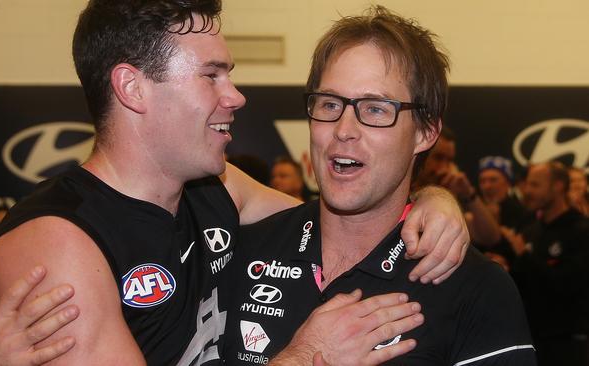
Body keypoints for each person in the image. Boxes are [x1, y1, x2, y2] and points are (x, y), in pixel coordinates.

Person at [0, 1, 470, 365]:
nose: (236, 95)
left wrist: (430, 197)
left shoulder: (214, 187)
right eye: (212, 75)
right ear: (133, 88)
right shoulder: (55, 248)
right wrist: (308, 358)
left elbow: (339, 217)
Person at [223, 6, 536, 365]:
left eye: (375, 109)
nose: (343, 129)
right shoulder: (239, 250)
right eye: (329, 104)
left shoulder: (475, 287)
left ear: (425, 132)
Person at [506, 162, 589, 366]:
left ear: (558, 186)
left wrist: (525, 255)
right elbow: (523, 285)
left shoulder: (581, 230)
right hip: (531, 340)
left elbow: (567, 285)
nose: (527, 191)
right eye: (527, 184)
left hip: (567, 345)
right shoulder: (531, 229)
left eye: (535, 185)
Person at [414, 127, 502, 246]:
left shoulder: (447, 198)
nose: (444, 168)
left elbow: (491, 238)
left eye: (449, 161)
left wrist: (468, 194)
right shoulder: (398, 194)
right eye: (438, 158)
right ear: (419, 154)